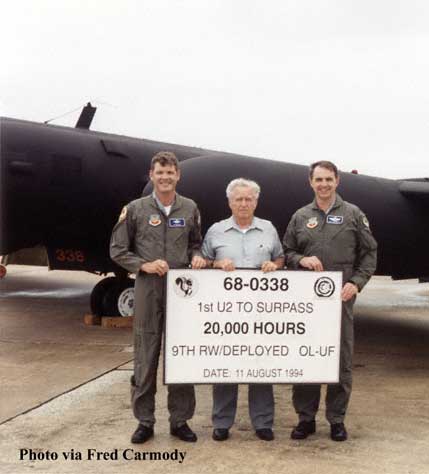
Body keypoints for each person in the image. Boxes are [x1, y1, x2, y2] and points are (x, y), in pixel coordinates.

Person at [110, 151, 207, 444]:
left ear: (178, 175)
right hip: (148, 288)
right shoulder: (135, 209)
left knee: (181, 355)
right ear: (151, 175)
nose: (165, 177)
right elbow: (117, 249)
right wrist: (144, 265)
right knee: (145, 355)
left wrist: (198, 256)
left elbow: (196, 243)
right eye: (160, 172)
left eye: (170, 173)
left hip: (182, 293)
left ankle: (180, 420)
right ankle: (145, 421)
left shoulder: (189, 207)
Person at [283, 160, 377, 442]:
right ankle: (305, 418)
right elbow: (286, 251)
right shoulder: (300, 216)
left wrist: (356, 283)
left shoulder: (353, 214)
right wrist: (301, 259)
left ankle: (336, 419)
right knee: (306, 355)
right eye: (318, 180)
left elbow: (369, 253)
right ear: (311, 183)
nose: (323, 184)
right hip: (307, 303)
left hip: (340, 300)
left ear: (337, 181)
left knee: (340, 359)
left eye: (328, 179)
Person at [201, 178, 284, 442]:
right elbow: (202, 261)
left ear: (256, 202)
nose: (244, 204)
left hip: (262, 311)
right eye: (239, 199)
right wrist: (216, 264)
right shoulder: (216, 230)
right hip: (226, 312)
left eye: (249, 199)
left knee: (261, 364)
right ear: (230, 202)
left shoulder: (268, 229)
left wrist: (275, 265)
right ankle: (222, 422)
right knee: (226, 365)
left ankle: (263, 423)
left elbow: (280, 257)